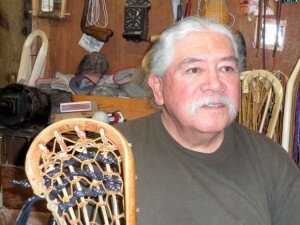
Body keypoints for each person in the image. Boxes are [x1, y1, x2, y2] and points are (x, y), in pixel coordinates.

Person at [115, 17, 300, 225]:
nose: (215, 84)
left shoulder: (271, 161)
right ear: (158, 88)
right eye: (194, 70)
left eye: (226, 68)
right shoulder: (111, 154)